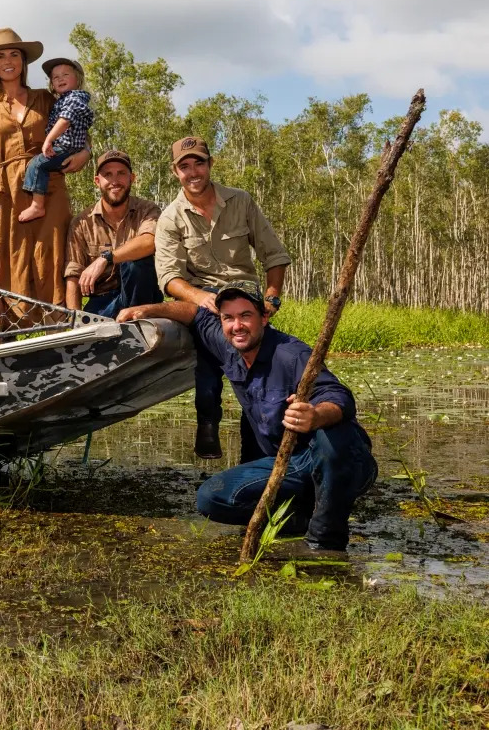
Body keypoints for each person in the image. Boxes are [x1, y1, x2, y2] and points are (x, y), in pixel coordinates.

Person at [117, 281, 377, 551]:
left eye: (245, 316)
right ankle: (300, 517)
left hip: (337, 462)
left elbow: (338, 396)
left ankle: (326, 542)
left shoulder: (291, 354)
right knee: (211, 497)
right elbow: (194, 313)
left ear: (264, 318)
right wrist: (146, 309)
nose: (236, 326)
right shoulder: (229, 343)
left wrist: (315, 415)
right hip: (288, 466)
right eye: (228, 318)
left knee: (332, 436)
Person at [155, 135, 291, 460]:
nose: (192, 172)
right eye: (184, 166)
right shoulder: (170, 217)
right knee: (234, 354)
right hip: (204, 298)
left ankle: (214, 425)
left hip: (246, 295)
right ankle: (224, 426)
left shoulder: (241, 201)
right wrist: (200, 296)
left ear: (210, 164)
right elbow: (170, 277)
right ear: (176, 172)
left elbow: (275, 255)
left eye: (198, 163)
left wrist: (271, 299)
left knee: (241, 360)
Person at [0, 28, 91, 335]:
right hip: (4, 196)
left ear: (23, 62)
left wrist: (86, 153)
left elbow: (78, 124)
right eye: (0, 56)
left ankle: (59, 343)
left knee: (52, 261)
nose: (8, 61)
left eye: (14, 55)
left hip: (49, 190)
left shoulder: (45, 98)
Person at [64, 149, 163, 317]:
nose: (115, 181)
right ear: (97, 181)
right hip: (103, 301)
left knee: (135, 263)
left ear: (132, 178)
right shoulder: (81, 223)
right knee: (92, 325)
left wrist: (105, 258)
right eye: (108, 174)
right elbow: (73, 274)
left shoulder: (147, 210)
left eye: (121, 173)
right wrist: (76, 321)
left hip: (144, 297)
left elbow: (149, 241)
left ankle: (135, 324)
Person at [18, 58, 93, 223]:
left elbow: (65, 120)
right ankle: (36, 203)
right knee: (40, 166)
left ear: (78, 79)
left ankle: (37, 205)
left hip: (66, 147)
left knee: (37, 164)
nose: (60, 79)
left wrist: (49, 140)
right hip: (65, 146)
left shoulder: (74, 98)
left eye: (66, 74)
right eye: (55, 77)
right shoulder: (61, 100)